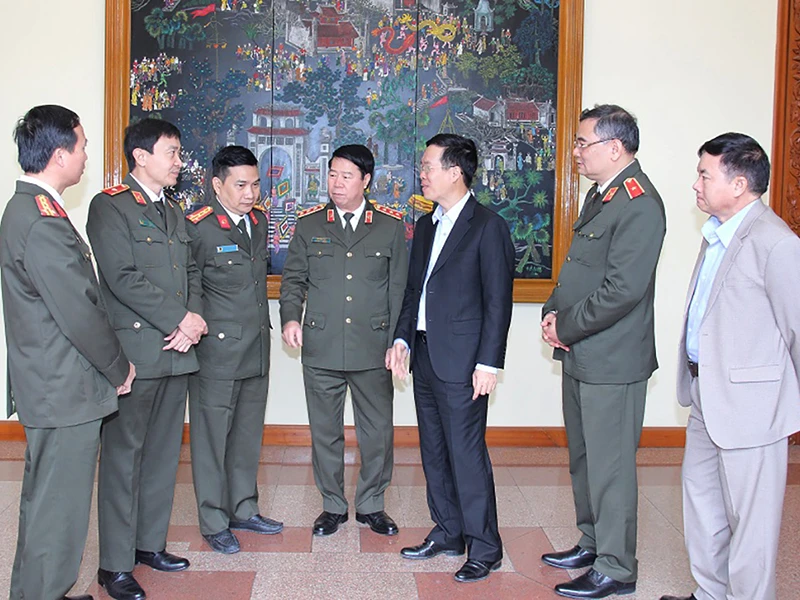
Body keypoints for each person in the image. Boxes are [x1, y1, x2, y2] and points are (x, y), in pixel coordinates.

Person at [0, 105, 136, 600]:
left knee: (47, 504)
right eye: (81, 146)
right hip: (64, 389)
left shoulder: (34, 210)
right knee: (58, 509)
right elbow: (79, 312)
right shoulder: (41, 220)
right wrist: (119, 367)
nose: (85, 156)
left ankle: (38, 591)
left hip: (54, 385)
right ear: (59, 155)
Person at [659, 133, 800, 600]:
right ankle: (710, 593)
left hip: (753, 408)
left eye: (705, 175)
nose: (695, 184)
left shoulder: (776, 243)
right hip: (705, 394)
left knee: (751, 526)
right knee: (703, 508)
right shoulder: (717, 233)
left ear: (739, 184)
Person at [540, 105, 666, 599]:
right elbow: (580, 269)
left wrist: (565, 325)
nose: (575, 151)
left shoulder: (639, 203)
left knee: (611, 467)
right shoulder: (602, 195)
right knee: (585, 458)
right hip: (583, 352)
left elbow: (622, 290)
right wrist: (553, 312)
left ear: (614, 148)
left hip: (613, 360)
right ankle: (592, 543)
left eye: (582, 142)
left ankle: (617, 567)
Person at [386, 133, 514, 583]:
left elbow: (498, 302)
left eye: (428, 166)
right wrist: (401, 339)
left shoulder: (488, 227)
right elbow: (413, 291)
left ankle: (485, 547)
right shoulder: (426, 225)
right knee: (434, 452)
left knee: (466, 454)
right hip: (424, 355)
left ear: (455, 172)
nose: (421, 174)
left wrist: (489, 363)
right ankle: (447, 531)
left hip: (464, 362)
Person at [87, 118, 207, 600]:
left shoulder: (172, 210)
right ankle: (114, 564)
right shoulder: (110, 206)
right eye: (171, 152)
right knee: (123, 459)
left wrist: (192, 320)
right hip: (137, 354)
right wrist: (180, 318)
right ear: (140, 156)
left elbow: (192, 272)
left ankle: (149, 544)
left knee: (161, 455)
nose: (179, 162)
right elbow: (122, 277)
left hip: (177, 352)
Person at [280, 144, 407, 537]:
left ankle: (372, 504)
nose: (336, 183)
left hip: (373, 346)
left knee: (377, 432)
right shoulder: (309, 225)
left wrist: (396, 341)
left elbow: (399, 290)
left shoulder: (389, 226)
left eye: (346, 176)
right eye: (332, 174)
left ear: (366, 180)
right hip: (322, 344)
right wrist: (290, 318)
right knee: (325, 431)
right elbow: (293, 280)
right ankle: (332, 505)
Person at [185, 145, 282, 554]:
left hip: (256, 348)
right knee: (211, 440)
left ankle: (244, 507)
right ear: (217, 184)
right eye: (240, 185)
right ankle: (213, 519)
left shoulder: (258, 221)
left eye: (255, 184)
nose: (250, 193)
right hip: (218, 353)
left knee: (246, 435)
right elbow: (188, 286)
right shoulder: (199, 227)